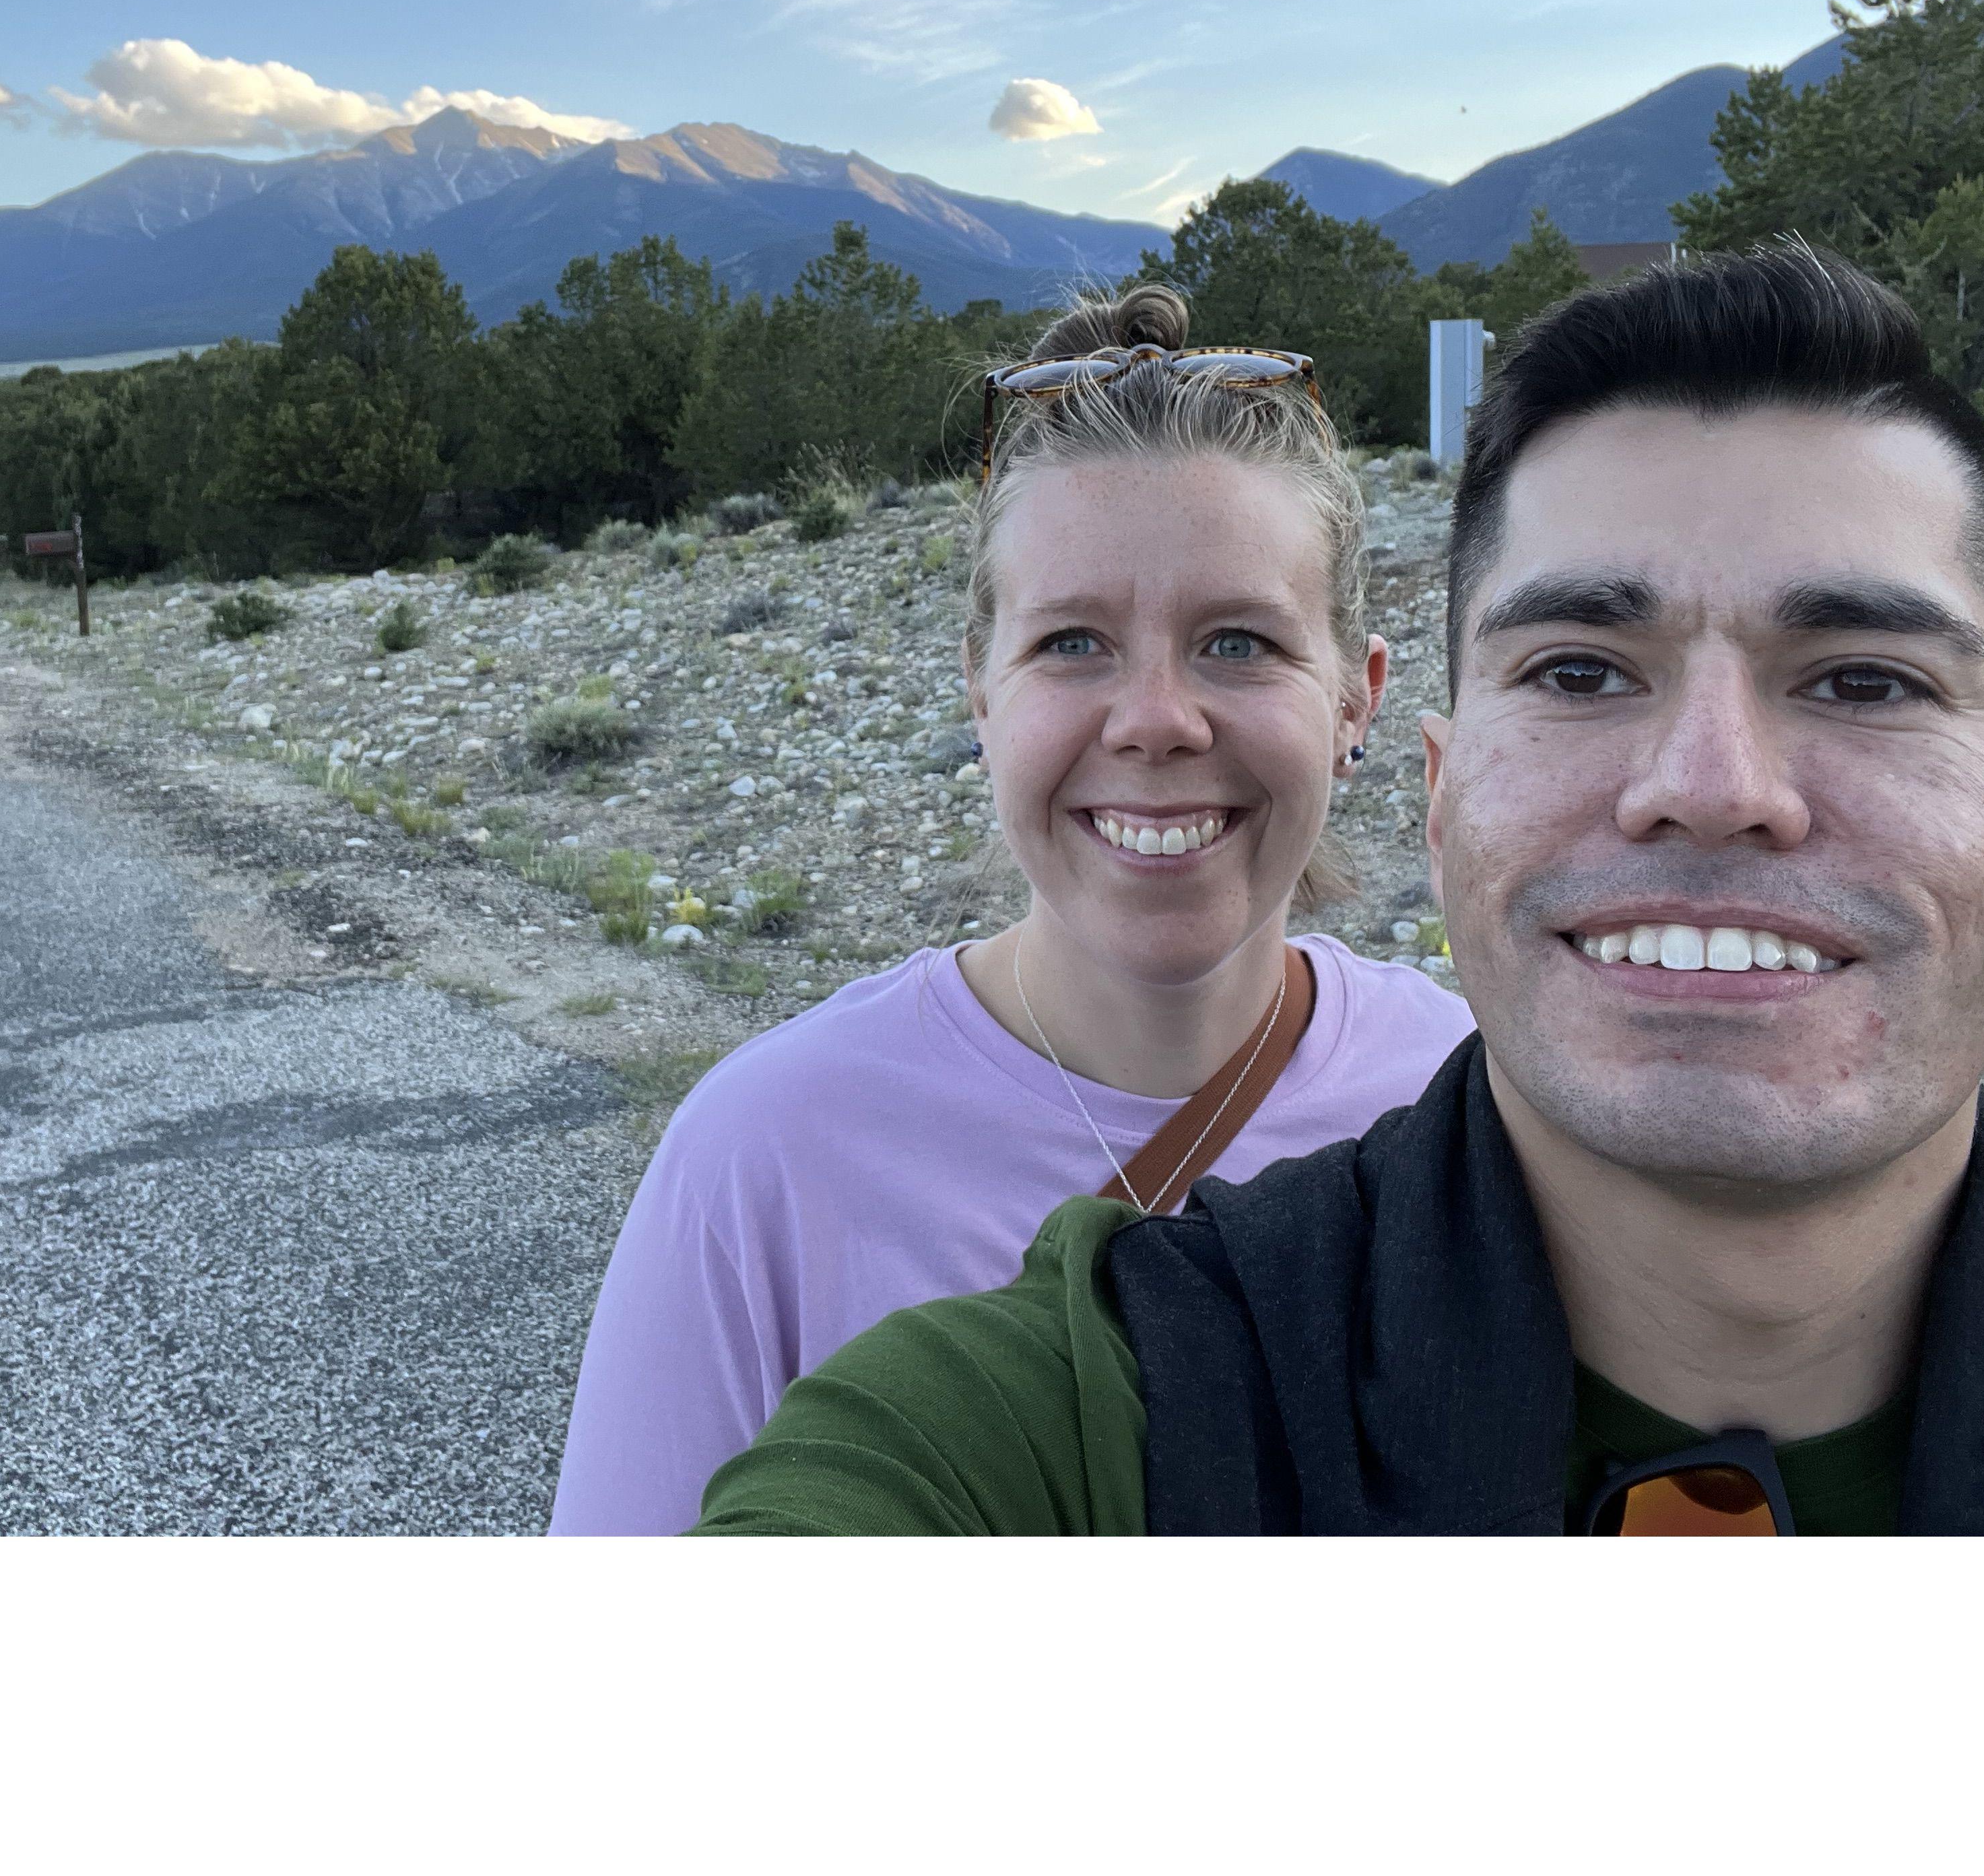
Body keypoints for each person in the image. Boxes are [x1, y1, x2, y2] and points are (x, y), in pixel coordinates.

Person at [694, 242, 1984, 1535]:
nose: (1714, 782)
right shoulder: (1077, 1416)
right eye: (1583, 671)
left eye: (1865, 679)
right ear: (1440, 794)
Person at [548, 285, 1474, 1533]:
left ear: (1357, 702)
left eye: (1241, 643)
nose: (1155, 719)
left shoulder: (1467, 1105)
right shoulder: (767, 1158)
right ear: (981, 693)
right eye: (1073, 644)